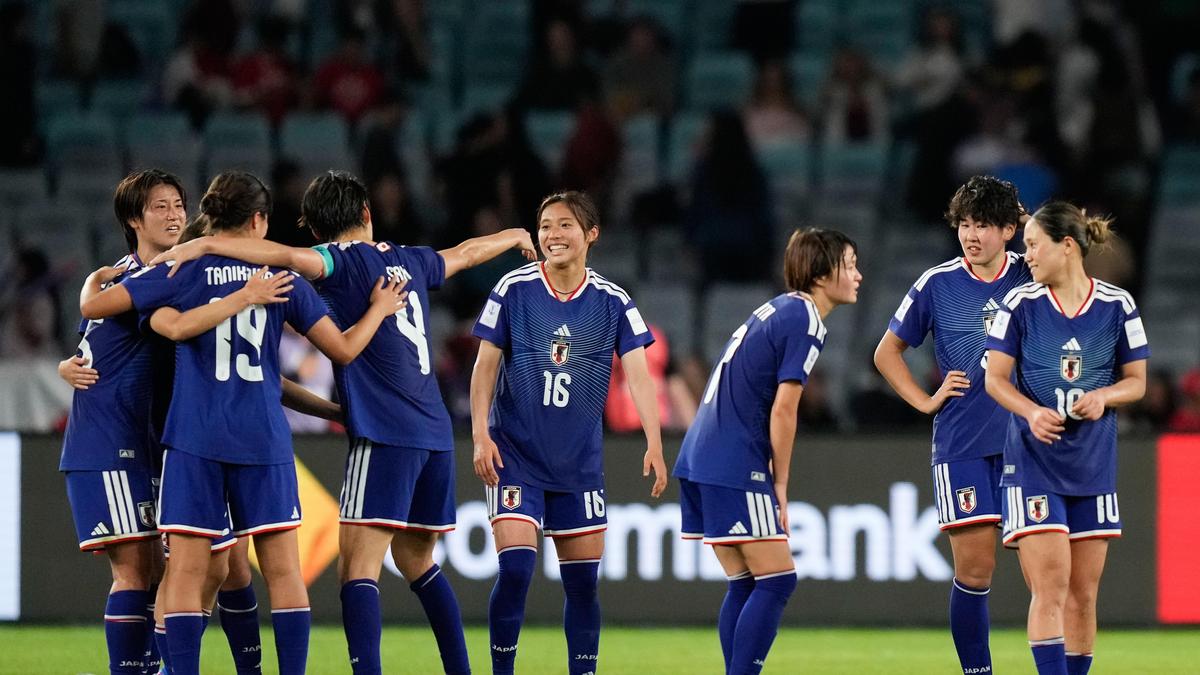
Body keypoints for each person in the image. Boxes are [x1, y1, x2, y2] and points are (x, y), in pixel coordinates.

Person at [149, 169, 538, 675]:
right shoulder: (410, 259)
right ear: (367, 212)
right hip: (435, 433)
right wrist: (512, 235)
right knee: (418, 562)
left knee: (357, 571)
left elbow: (287, 258)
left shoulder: (336, 260)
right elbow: (464, 253)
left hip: (385, 433)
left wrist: (203, 245)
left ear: (315, 229)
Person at [80, 170, 407, 675]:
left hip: (194, 439)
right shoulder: (282, 276)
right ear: (258, 220)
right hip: (262, 438)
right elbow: (342, 350)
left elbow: (97, 307)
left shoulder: (181, 268)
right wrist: (379, 311)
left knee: (187, 575)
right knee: (283, 574)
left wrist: (92, 285)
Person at [470, 190, 667, 675]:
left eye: (564, 225)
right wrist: (479, 434)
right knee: (516, 569)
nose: (552, 235)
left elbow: (639, 376)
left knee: (582, 585)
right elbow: (484, 368)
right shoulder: (513, 288)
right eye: (545, 226)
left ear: (591, 234)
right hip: (515, 455)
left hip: (578, 464)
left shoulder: (613, 301)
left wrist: (655, 442)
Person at [673, 227, 861, 675]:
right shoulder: (806, 318)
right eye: (851, 265)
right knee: (778, 580)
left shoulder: (779, 309)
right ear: (822, 274)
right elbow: (784, 409)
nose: (858, 275)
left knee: (745, 583)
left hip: (700, 454)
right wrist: (780, 483)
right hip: (734, 460)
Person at [872, 175, 1031, 674]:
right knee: (976, 571)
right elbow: (886, 352)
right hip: (963, 443)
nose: (970, 235)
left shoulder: (1033, 273)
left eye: (982, 224)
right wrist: (925, 401)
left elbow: (1076, 269)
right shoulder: (936, 283)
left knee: (1045, 575)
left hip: (1029, 444)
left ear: (1009, 230)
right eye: (964, 224)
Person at [984, 201, 1149, 675]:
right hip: (1033, 462)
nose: (1027, 255)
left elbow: (1137, 382)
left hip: (1093, 463)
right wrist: (1032, 412)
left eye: (1034, 245)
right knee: (1051, 589)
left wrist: (1104, 396)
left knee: (1083, 595)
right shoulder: (1020, 304)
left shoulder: (1117, 305)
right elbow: (995, 379)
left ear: (1068, 246)